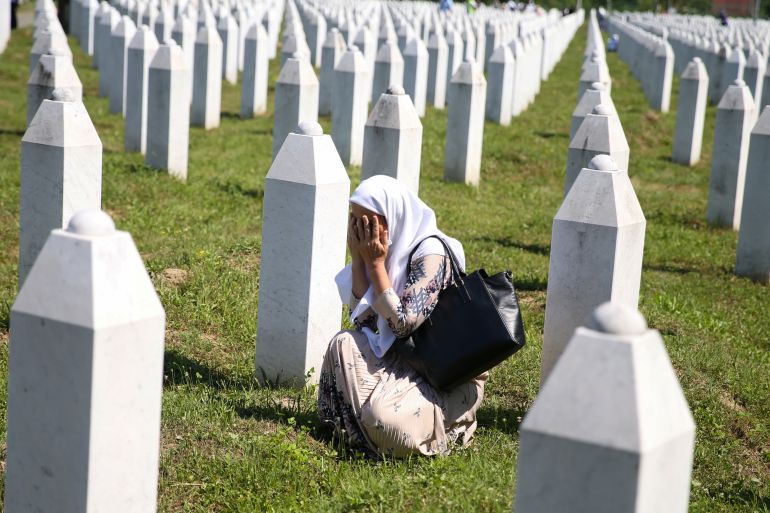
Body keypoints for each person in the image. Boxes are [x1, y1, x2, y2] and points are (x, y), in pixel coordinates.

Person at [318, 176, 487, 458]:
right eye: (357, 224)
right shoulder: (387, 253)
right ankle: (359, 431)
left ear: (393, 216)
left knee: (382, 415)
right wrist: (359, 259)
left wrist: (375, 265)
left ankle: (452, 424)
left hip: (442, 373)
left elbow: (402, 324)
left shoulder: (431, 254)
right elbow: (365, 323)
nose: (364, 233)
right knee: (343, 343)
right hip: (403, 358)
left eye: (370, 224)